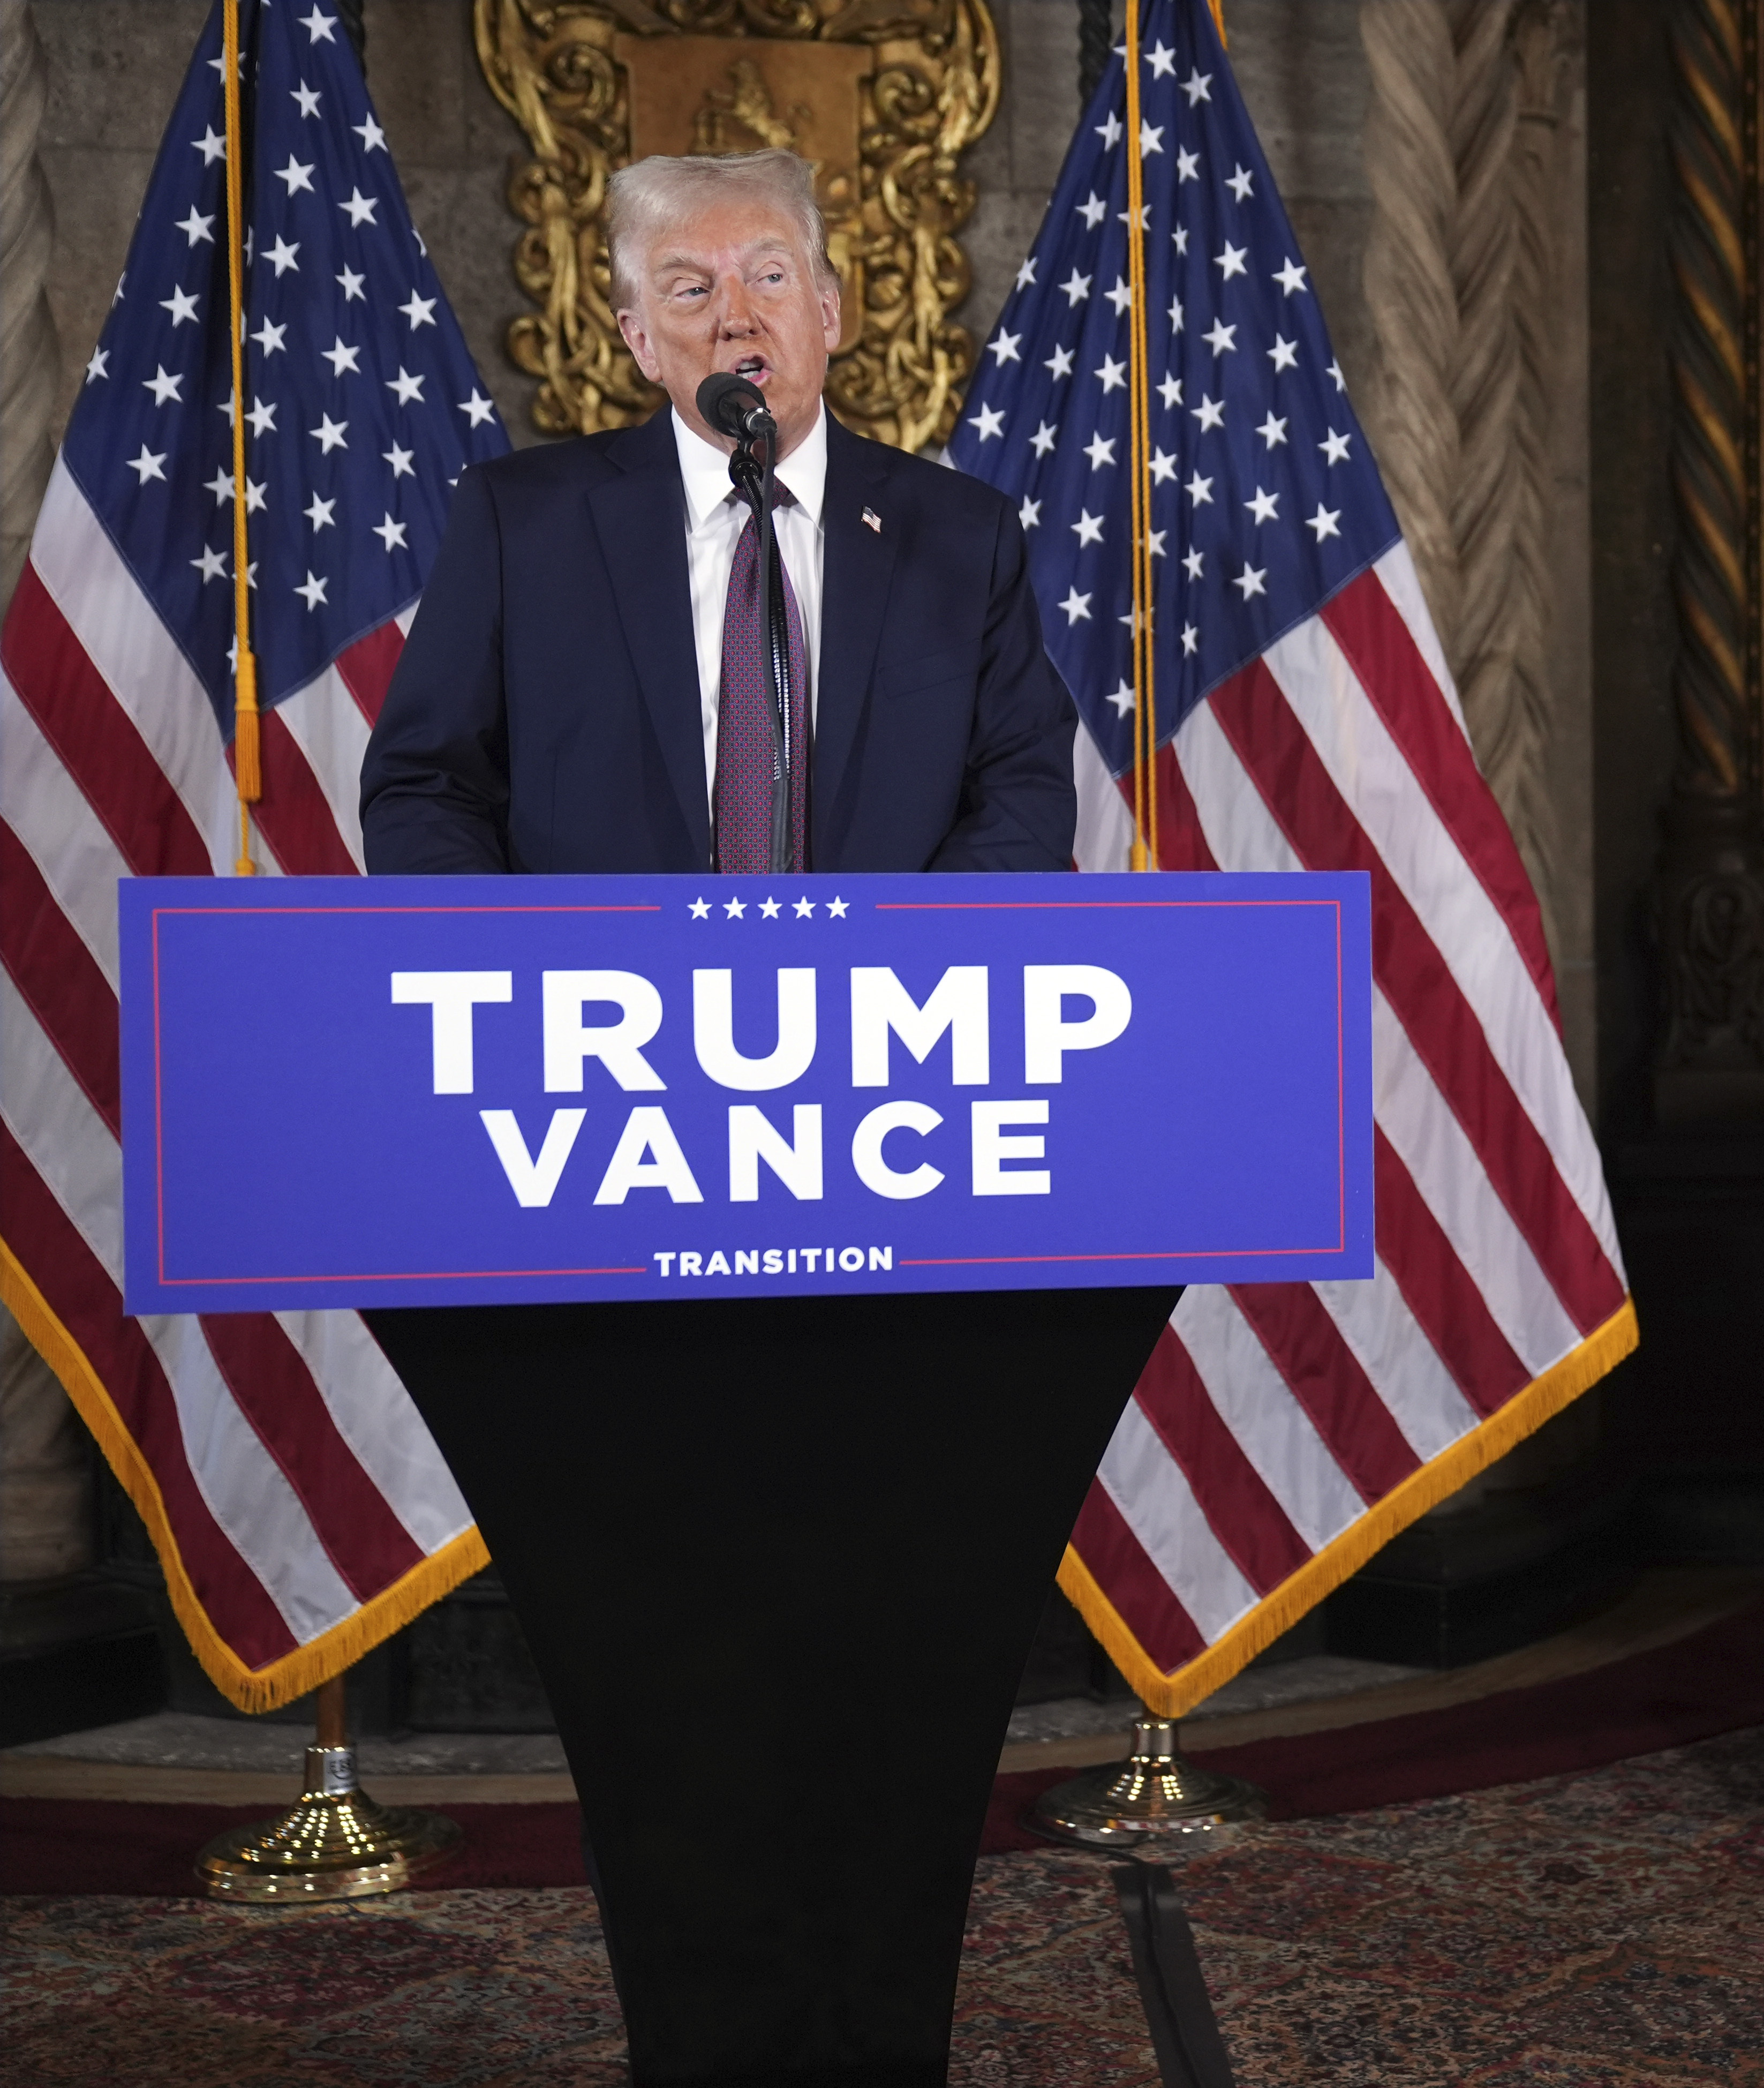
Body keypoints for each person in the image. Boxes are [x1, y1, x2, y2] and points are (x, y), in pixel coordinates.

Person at [359, 150, 1172, 2085]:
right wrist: (553, 1003)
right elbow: (422, 795)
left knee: (877, 1653)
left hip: (885, 1192)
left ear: (834, 309)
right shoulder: (520, 519)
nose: (739, 315)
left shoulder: (957, 537)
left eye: (773, 276)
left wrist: (877, 1004)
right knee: (682, 1671)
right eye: (692, 285)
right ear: (628, 330)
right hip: (605, 1190)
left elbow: (1015, 806)